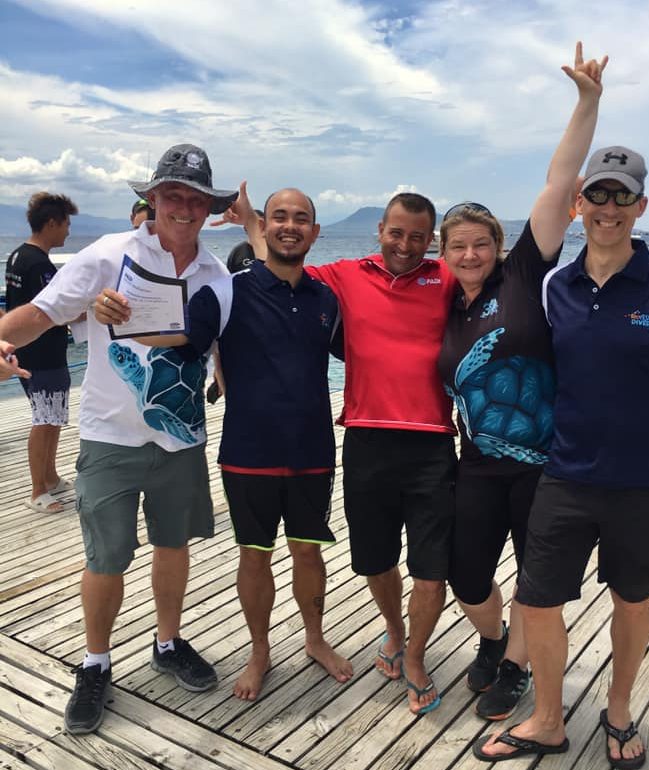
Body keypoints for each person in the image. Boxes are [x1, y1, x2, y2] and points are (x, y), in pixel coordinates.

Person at [476, 148, 649, 764]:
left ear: (641, 206)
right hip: (566, 471)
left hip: (648, 479)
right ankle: (548, 720)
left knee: (633, 601)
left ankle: (618, 709)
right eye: (599, 195)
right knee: (536, 600)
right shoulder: (554, 285)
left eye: (623, 196)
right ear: (579, 205)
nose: (609, 208)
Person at [0, 143, 237, 735]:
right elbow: (42, 313)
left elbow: (227, 352)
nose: (184, 207)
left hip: (182, 438)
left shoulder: (216, 275)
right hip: (110, 437)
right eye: (173, 195)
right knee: (104, 557)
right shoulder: (108, 254)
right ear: (152, 198)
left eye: (196, 199)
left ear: (209, 208)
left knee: (173, 545)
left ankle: (167, 642)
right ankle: (95, 662)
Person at [107, 187, 353, 701]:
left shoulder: (326, 299)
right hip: (248, 452)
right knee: (255, 556)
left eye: (301, 219)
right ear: (267, 225)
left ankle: (315, 639)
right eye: (279, 217)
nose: (290, 226)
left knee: (309, 553)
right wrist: (121, 318)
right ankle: (260, 651)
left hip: (312, 450)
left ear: (314, 232)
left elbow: (361, 353)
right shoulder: (225, 291)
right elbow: (176, 335)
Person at [222, 185, 457, 715]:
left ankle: (394, 653)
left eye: (418, 237)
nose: (404, 245)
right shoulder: (345, 276)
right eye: (395, 233)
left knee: (420, 567)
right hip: (355, 441)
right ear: (380, 231)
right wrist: (251, 224)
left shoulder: (445, 277)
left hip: (422, 442)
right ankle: (376, 636)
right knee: (363, 559)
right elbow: (282, 263)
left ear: (433, 241)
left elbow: (492, 277)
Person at [438, 43, 606, 724]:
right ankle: (493, 638)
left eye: (481, 242)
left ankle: (514, 667)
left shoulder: (525, 274)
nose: (471, 254)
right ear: (444, 254)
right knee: (466, 574)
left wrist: (587, 102)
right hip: (477, 466)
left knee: (537, 582)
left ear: (499, 245)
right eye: (458, 246)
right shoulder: (445, 307)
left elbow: (559, 184)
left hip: (545, 466)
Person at [5, 192, 79, 513]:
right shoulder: (40, 266)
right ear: (51, 223)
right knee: (45, 419)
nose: (68, 232)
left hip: (28, 352)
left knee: (52, 416)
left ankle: (50, 477)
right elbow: (53, 310)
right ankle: (37, 490)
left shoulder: (17, 257)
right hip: (44, 355)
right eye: (66, 224)